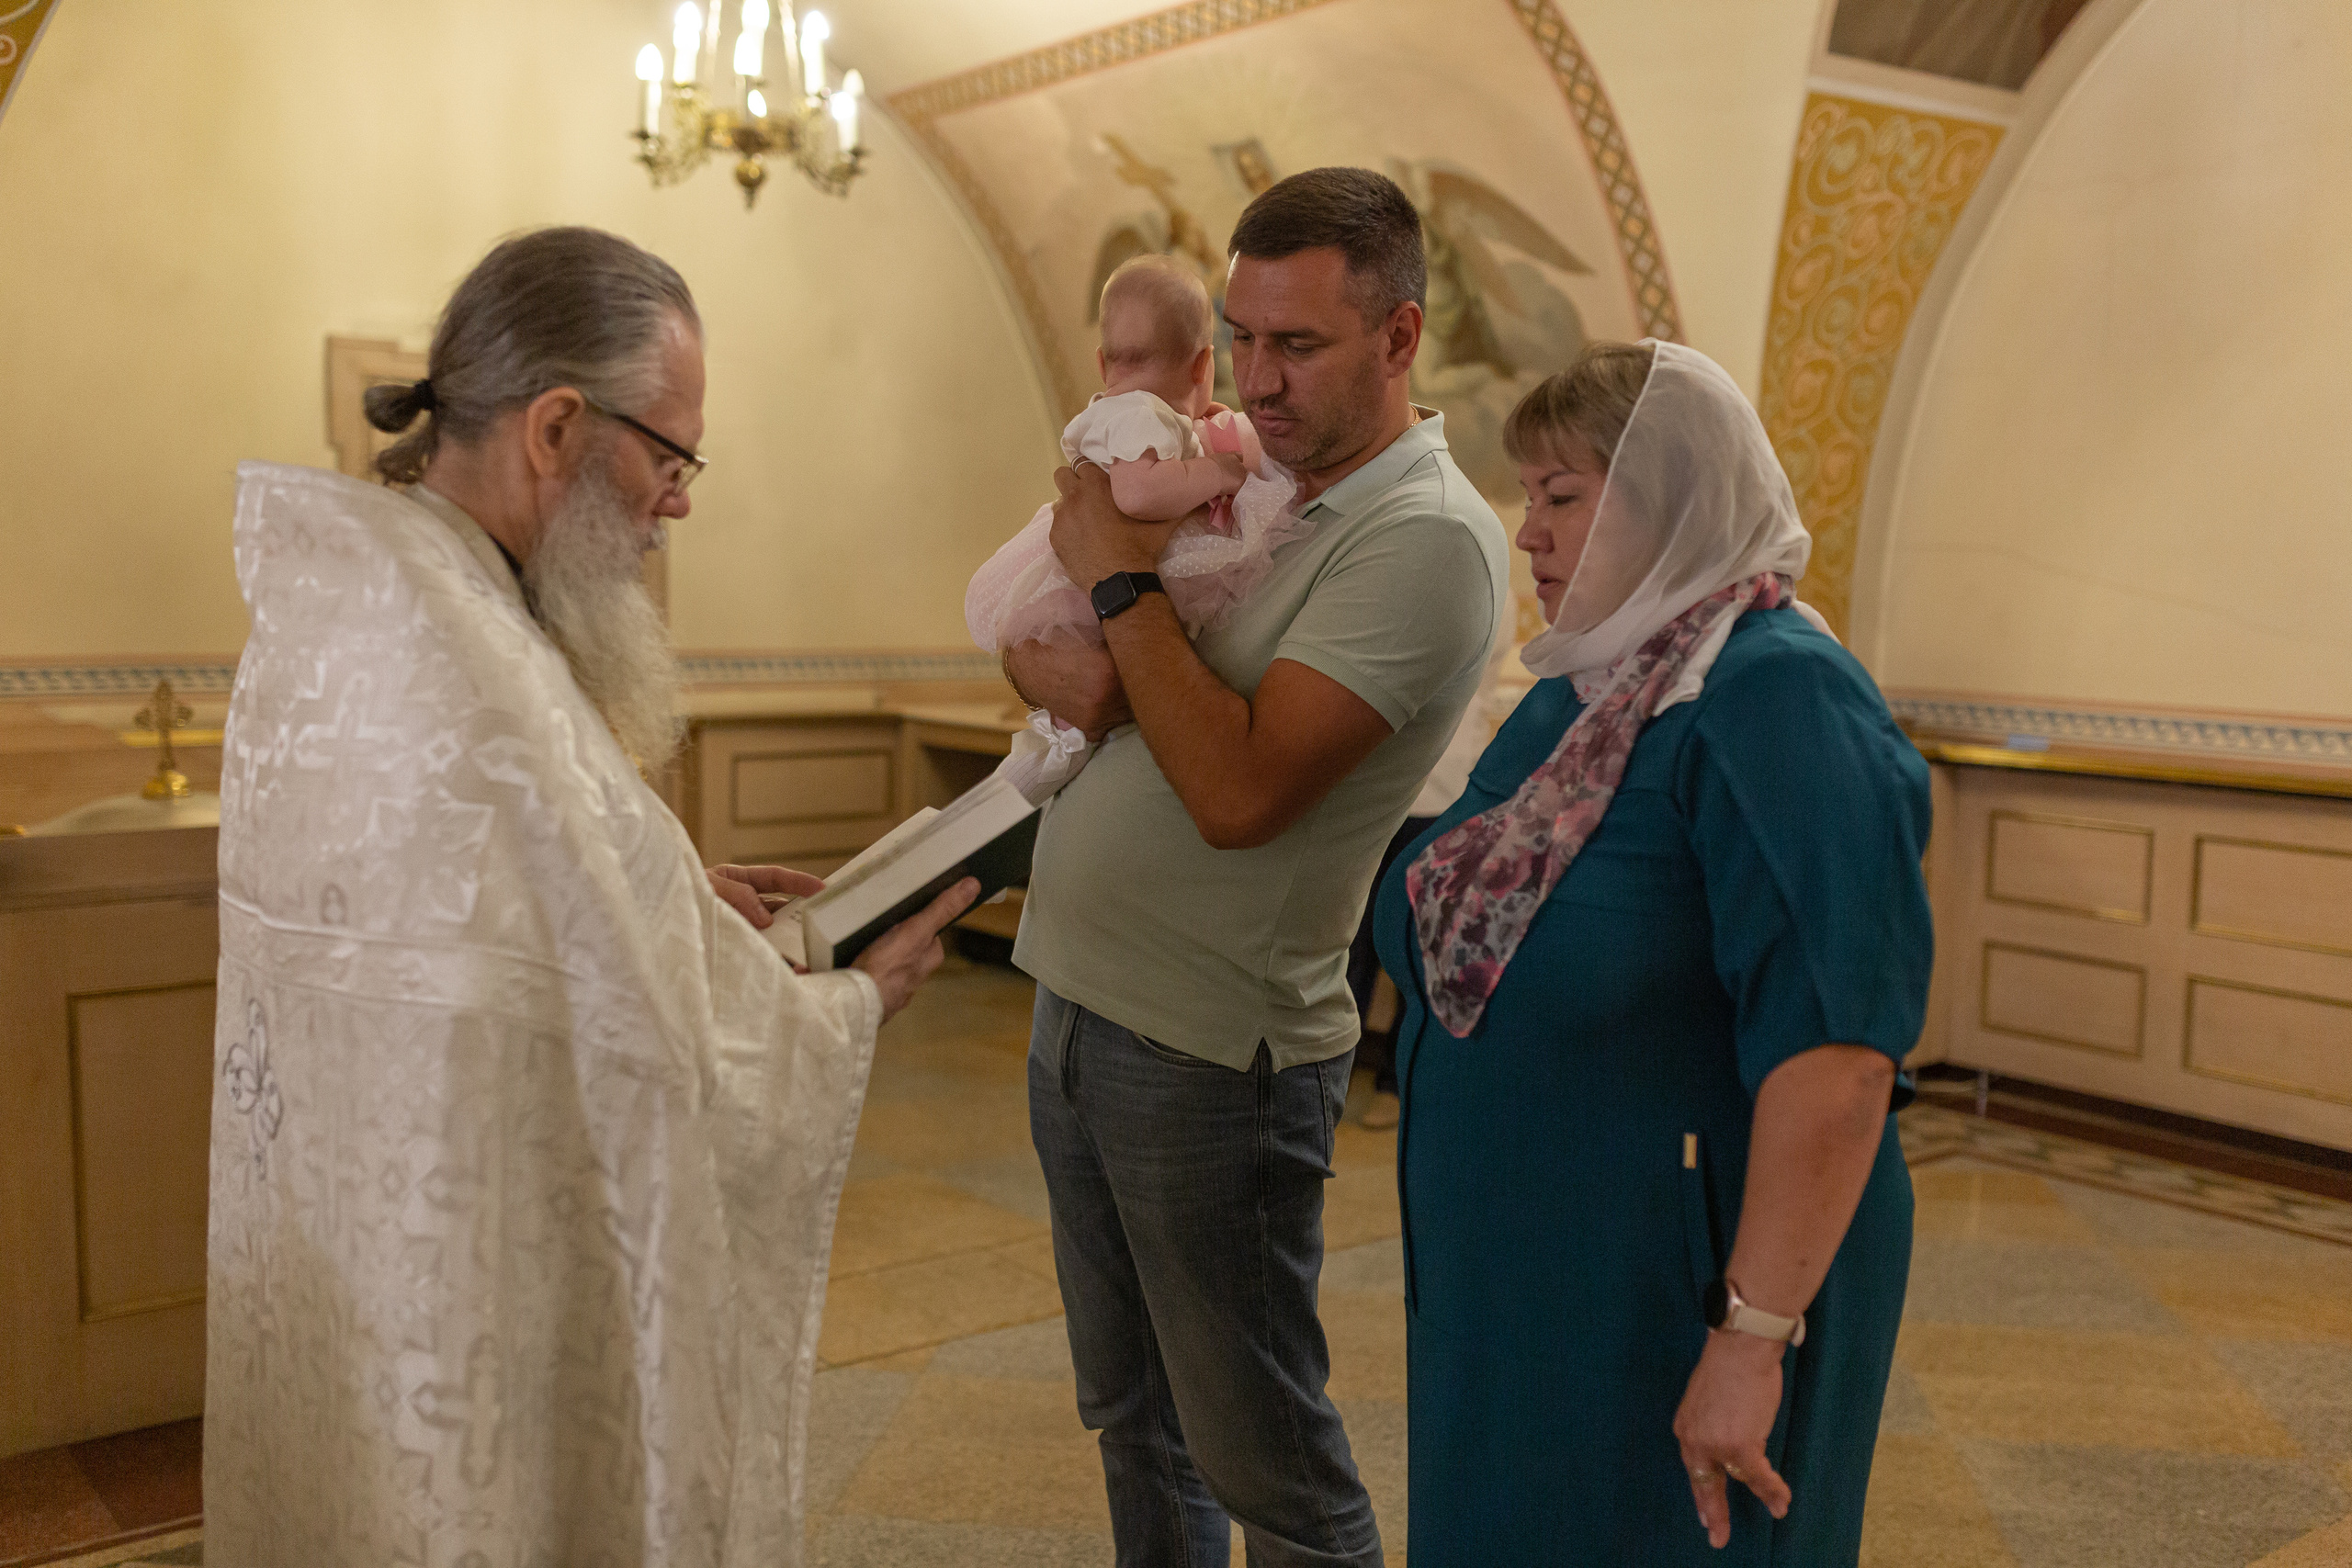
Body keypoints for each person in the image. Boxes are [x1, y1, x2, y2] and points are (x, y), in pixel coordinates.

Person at [207, 226, 976, 1568]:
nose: (677, 503)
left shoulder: (371, 605)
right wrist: (851, 1001)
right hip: (465, 1273)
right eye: (668, 456)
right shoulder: (470, 662)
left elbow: (499, 912)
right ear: (557, 426)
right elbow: (648, 1037)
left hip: (368, 1262)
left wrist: (666, 888)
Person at [1007, 167, 1510, 1568]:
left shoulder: (1424, 537)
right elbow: (1085, 670)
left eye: (1299, 343)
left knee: (1265, 1460)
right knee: (1133, 1416)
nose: (1258, 378)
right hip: (1079, 999)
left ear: (1400, 338)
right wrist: (1065, 632)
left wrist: (1118, 580)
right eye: (1241, 337)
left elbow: (1235, 790)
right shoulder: (1254, 480)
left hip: (1209, 1051)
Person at [1372, 339, 1929, 1565]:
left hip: (1682, 1293)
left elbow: (1840, 1058)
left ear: (1675, 503)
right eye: (1527, 496)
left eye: (1561, 496)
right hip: (1541, 1286)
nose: (1528, 533)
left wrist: (1750, 1337)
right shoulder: (1578, 696)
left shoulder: (1777, 696)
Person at [967, 254, 1296, 660]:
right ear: (1203, 365)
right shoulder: (1141, 413)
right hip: (1084, 573)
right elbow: (1138, 494)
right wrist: (1215, 471)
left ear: (1102, 364)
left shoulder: (1129, 414)